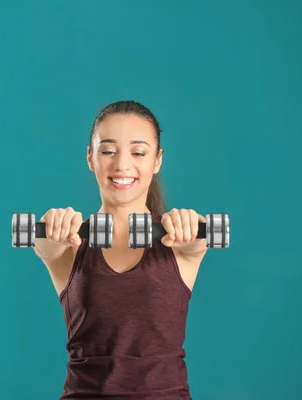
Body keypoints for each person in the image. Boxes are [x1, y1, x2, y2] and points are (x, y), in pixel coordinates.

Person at [33, 100, 208, 399]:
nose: (122, 165)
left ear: (157, 160)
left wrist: (192, 225)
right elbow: (44, 244)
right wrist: (52, 228)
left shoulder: (180, 243)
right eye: (108, 151)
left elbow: (198, 238)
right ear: (90, 158)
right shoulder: (68, 244)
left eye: (138, 152)